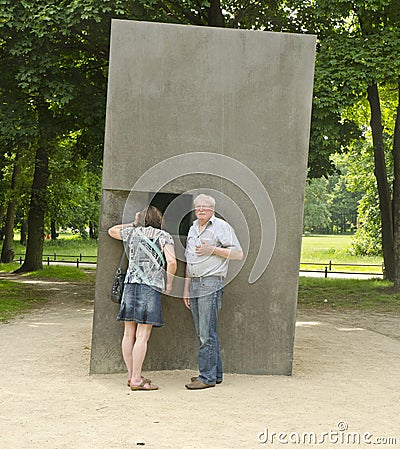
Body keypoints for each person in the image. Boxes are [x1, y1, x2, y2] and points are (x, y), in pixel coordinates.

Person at [108, 205, 177, 391]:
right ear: (158, 219)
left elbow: (111, 231)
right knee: (142, 336)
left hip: (130, 286)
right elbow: (171, 262)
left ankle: (131, 376)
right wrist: (169, 284)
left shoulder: (133, 233)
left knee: (128, 334)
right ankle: (137, 379)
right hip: (150, 287)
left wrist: (134, 223)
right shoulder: (164, 236)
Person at [183, 194, 243, 390]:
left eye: (205, 207)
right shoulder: (193, 228)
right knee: (207, 331)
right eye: (198, 206)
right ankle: (214, 374)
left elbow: (238, 254)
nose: (201, 209)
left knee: (205, 333)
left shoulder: (221, 227)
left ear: (213, 210)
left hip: (211, 283)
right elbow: (190, 260)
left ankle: (206, 377)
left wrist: (213, 250)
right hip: (195, 284)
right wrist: (186, 289)